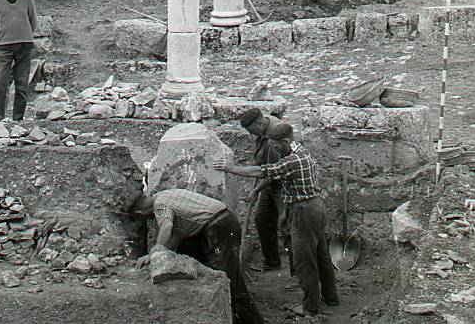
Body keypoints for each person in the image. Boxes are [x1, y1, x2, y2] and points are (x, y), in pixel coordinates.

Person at [214, 142, 339, 319]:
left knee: (304, 261)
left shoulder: (291, 161)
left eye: (277, 147)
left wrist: (229, 168)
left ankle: (310, 308)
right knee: (321, 254)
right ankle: (331, 297)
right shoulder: (305, 153)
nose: (276, 151)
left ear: (285, 142)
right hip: (316, 206)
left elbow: (259, 171)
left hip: (302, 211)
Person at [125, 188, 265, 324]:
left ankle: (251, 321)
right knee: (221, 274)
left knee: (228, 278)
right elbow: (176, 236)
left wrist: (154, 252)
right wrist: (161, 255)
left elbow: (166, 227)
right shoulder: (165, 195)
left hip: (218, 227)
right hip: (222, 222)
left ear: (140, 212)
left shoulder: (160, 205)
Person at [239, 108, 295, 273]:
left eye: (252, 131)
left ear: (259, 123)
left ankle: (297, 271)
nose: (252, 135)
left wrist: (256, 190)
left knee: (288, 227)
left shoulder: (273, 139)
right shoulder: (263, 126)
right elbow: (262, 166)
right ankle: (271, 262)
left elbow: (274, 172)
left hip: (283, 186)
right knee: (262, 220)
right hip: (268, 184)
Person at [0, 0, 38, 122]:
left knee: (22, 84)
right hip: (4, 46)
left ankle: (18, 118)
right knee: (0, 82)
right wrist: (1, 38)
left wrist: (24, 35)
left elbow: (33, 21)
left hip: (24, 45)